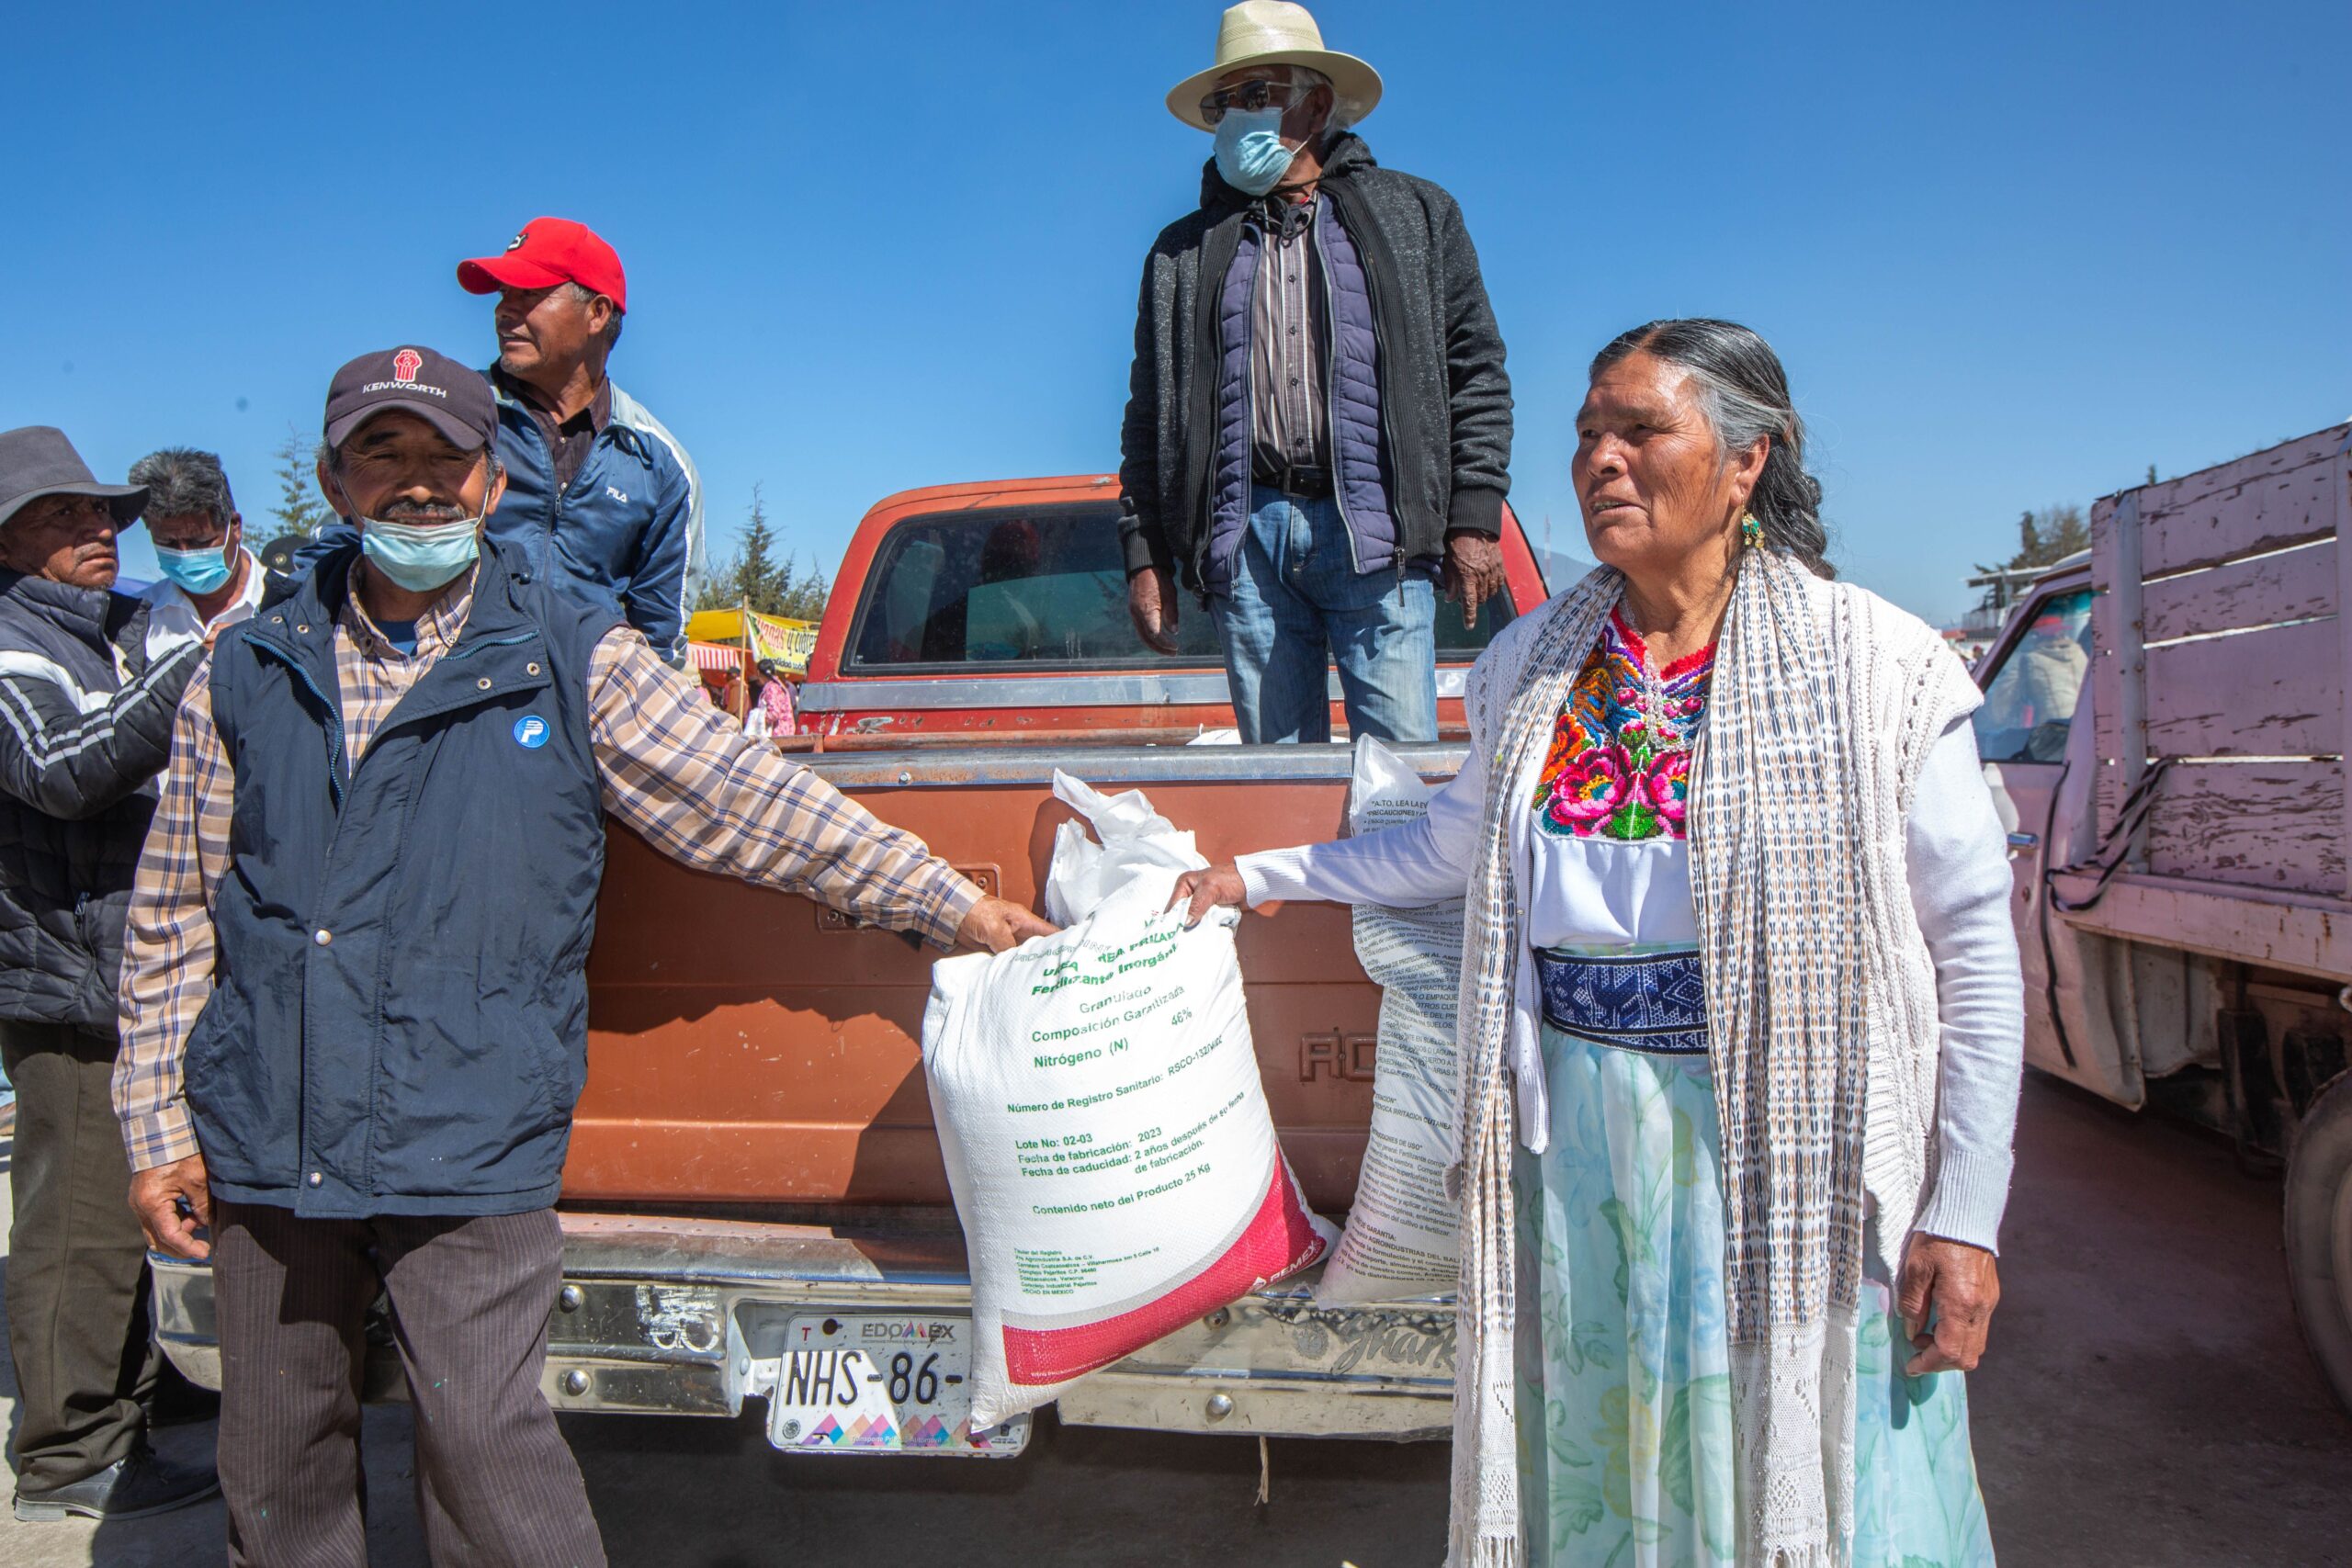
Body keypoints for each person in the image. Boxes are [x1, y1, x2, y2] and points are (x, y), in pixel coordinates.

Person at [112, 348, 1052, 1565]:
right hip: (268, 1129)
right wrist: (154, 1121)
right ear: (337, 482)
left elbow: (748, 799)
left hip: (468, 1124)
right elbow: (174, 909)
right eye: (382, 457)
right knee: (276, 1465)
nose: (416, 486)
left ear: (491, 483)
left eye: (442, 458)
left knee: (492, 1458)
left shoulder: (572, 652)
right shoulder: (243, 669)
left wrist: (949, 904)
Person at [1174, 321, 2021, 1566]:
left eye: (1641, 431)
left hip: (1790, 1166)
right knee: (1615, 1469)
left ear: (1745, 462)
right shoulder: (1533, 663)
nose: (1602, 462)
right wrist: (1256, 875)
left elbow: (1976, 952)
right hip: (1585, 1166)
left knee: (1805, 1476)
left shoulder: (1878, 669)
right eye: (1586, 437)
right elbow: (1444, 854)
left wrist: (1968, 1211)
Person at [1119, 1, 1512, 744]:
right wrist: (1148, 558)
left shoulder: (1417, 215)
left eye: (1256, 95)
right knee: (1279, 791)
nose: (1236, 116)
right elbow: (1150, 416)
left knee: (1396, 793)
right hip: (1248, 540)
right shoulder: (1179, 254)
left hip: (1377, 535)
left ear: (1318, 103)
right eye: (1223, 103)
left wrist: (1473, 514)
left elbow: (1477, 370)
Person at [0, 427, 216, 1522]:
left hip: (141, 970)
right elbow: (56, 772)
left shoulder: (127, 626)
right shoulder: (10, 645)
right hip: (70, 979)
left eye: (98, 514)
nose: (95, 530)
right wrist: (192, 668)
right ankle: (68, 1449)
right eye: (60, 516)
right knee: (80, 1218)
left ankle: (147, 1412)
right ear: (7, 543)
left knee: (152, 1206)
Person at [299, 219, 704, 664]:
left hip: (580, 700)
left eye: (528, 293)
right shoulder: (447, 418)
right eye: (502, 294)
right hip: (443, 687)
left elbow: (660, 631)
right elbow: (340, 543)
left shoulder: (657, 463)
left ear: (598, 313)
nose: (503, 310)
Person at [126, 448, 267, 652]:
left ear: (235, 527)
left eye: (200, 542)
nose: (184, 554)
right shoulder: (133, 620)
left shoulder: (293, 603)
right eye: (168, 543)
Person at [756, 658, 797, 738]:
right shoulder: (779, 685)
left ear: (758, 673)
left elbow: (774, 714)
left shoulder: (772, 688)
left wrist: (759, 717)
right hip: (786, 731)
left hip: (778, 733)